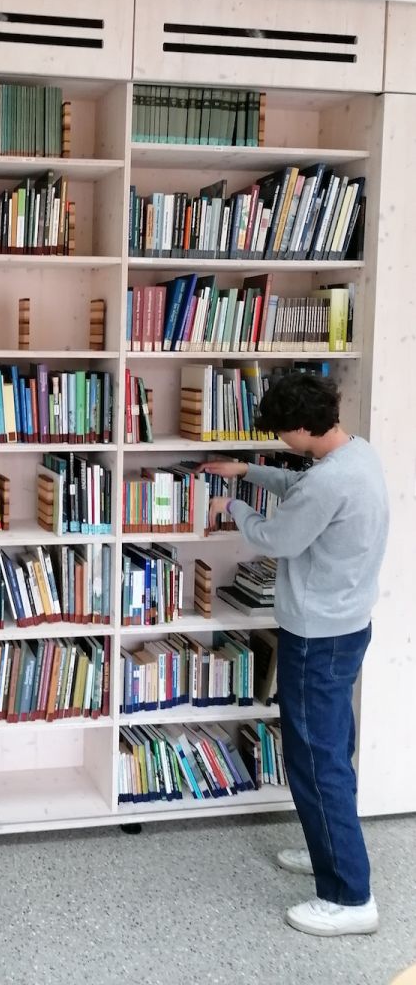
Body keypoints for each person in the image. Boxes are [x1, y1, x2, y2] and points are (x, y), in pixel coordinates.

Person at [202, 371, 388, 938]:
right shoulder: (356, 455)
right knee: (334, 750)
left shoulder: (327, 483)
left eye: (283, 433)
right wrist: (249, 471)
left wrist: (234, 506)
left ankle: (349, 897)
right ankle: (329, 847)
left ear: (303, 428)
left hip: (316, 637)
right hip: (348, 626)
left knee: (316, 762)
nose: (281, 442)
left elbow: (277, 538)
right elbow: (303, 488)